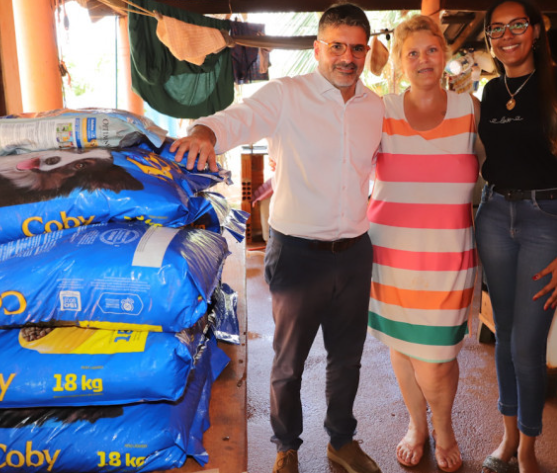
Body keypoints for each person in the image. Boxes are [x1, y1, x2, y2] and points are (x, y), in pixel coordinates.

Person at [169, 4, 384, 473]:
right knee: (289, 362)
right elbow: (237, 118)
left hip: (354, 252)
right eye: (337, 46)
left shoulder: (375, 107)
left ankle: (341, 441)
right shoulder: (287, 94)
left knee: (347, 359)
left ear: (366, 52)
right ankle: (287, 447)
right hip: (298, 254)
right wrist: (205, 133)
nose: (347, 57)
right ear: (318, 49)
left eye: (356, 48)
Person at [475, 1, 557, 473]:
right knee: (505, 334)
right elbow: (490, 158)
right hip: (494, 215)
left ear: (535, 31)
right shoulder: (492, 91)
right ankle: (508, 437)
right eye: (496, 29)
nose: (507, 36)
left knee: (528, 344)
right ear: (489, 39)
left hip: (548, 219)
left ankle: (528, 446)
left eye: (517, 25)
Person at [366, 14, 478, 472]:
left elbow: (507, 162)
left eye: (431, 50)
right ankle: (418, 425)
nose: (423, 59)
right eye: (412, 53)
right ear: (399, 62)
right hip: (391, 257)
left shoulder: (471, 110)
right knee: (403, 347)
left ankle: (443, 426)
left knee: (436, 359)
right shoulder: (381, 111)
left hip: (449, 259)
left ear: (444, 54)